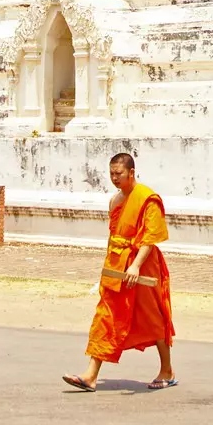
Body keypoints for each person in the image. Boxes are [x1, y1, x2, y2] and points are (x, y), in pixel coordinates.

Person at [63, 151, 176, 392]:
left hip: (142, 265)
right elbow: (114, 237)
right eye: (111, 174)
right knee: (107, 314)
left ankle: (167, 370)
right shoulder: (115, 200)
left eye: (119, 174)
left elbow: (149, 237)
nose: (114, 178)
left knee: (152, 317)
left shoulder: (147, 198)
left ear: (131, 172)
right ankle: (91, 375)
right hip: (117, 265)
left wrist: (135, 265)